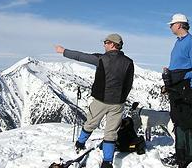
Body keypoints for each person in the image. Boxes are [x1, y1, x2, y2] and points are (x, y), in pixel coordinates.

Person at [55, 34, 134, 168]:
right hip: (118, 103)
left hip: (101, 100)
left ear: (112, 44)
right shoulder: (128, 62)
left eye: (105, 42)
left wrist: (63, 51)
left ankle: (80, 144)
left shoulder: (101, 59)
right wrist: (121, 99)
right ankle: (107, 162)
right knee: (111, 132)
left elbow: (81, 56)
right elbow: (128, 84)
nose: (104, 44)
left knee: (91, 123)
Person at [162, 13, 192, 168]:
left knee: (185, 120)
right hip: (176, 85)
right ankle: (180, 155)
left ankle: (189, 156)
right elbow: (178, 65)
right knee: (177, 119)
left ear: (179, 25)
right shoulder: (178, 42)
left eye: (172, 24)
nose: (170, 26)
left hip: (185, 85)